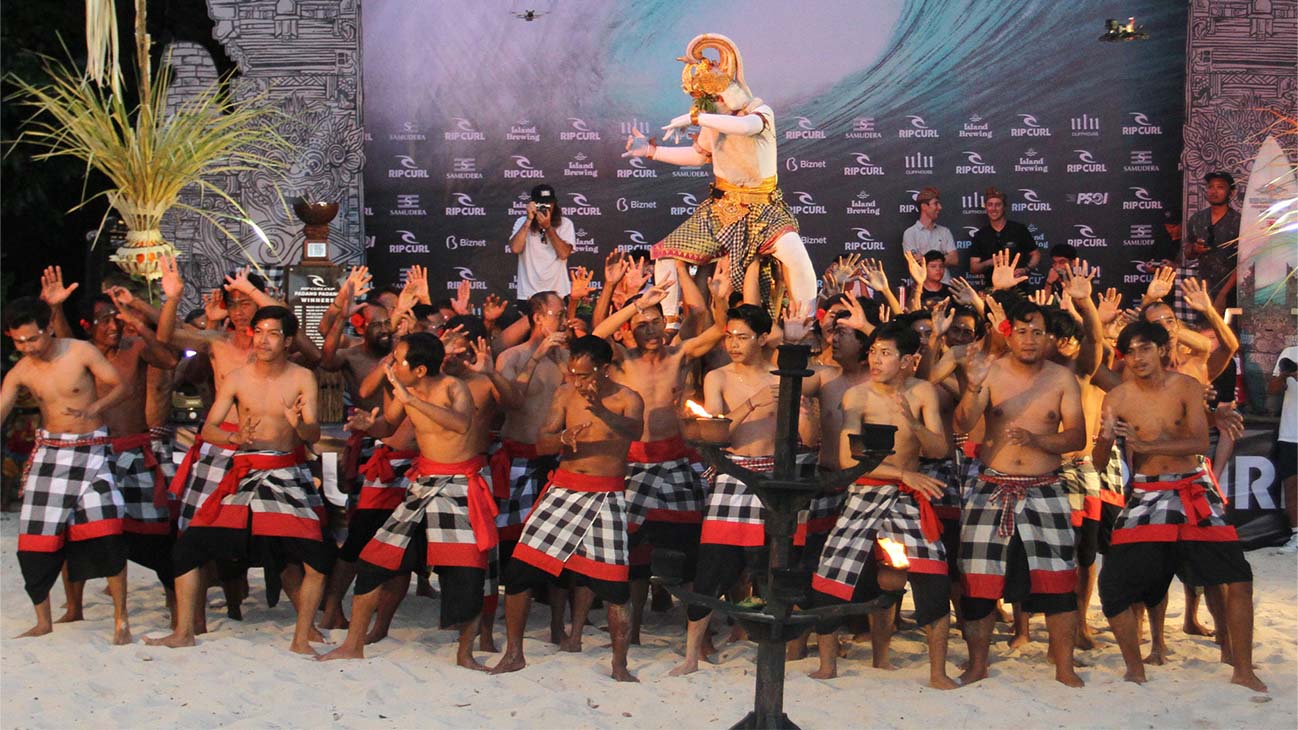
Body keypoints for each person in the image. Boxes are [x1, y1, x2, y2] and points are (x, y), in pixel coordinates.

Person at [145, 306, 329, 655]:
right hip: (242, 472)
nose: (262, 339)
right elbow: (210, 428)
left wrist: (299, 425)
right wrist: (234, 439)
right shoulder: (238, 378)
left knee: (315, 558)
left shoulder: (302, 377)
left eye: (272, 333)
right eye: (259, 331)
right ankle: (184, 631)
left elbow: (313, 431)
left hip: (286, 473)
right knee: (187, 549)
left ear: (288, 340)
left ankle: (302, 636)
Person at [1094, 320, 1266, 693]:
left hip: (1192, 486)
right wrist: (1106, 439)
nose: (1138, 358)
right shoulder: (1118, 398)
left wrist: (1146, 446)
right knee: (1112, 586)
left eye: (1145, 348)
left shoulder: (1186, 386)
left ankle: (1243, 668)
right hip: (1146, 491)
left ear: (1161, 350)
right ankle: (1134, 668)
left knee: (1239, 578)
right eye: (1131, 351)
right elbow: (1097, 461)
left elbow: (1197, 443)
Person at [319, 332, 495, 670]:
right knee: (375, 559)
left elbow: (460, 424)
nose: (392, 364)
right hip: (422, 481)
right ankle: (353, 644)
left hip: (460, 483)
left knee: (468, 570)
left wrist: (412, 400)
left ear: (419, 369)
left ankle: (465, 653)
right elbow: (389, 426)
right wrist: (369, 426)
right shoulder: (407, 390)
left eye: (398, 360)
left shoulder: (452, 388)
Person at [623, 33, 817, 318]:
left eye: (716, 94)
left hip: (764, 212)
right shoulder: (712, 119)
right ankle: (670, 328)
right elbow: (698, 156)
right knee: (665, 256)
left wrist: (695, 118)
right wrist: (651, 152)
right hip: (720, 210)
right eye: (707, 98)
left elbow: (747, 127)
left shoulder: (760, 113)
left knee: (796, 256)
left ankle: (804, 326)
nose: (713, 101)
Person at [808, 324, 956, 689]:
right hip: (866, 490)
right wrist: (903, 474)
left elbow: (939, 450)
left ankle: (938, 672)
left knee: (933, 575)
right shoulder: (856, 396)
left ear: (909, 361)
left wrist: (912, 423)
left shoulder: (923, 392)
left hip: (909, 495)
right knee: (832, 572)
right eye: (874, 351)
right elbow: (847, 458)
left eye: (886, 353)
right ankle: (827, 666)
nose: (876, 359)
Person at [491, 335, 645, 682]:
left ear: (604, 370)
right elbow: (541, 441)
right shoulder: (564, 394)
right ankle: (514, 653)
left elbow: (636, 430)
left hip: (606, 494)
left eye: (585, 374)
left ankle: (619, 665)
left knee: (615, 587)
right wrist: (561, 439)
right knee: (519, 573)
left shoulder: (627, 398)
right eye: (574, 373)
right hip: (563, 489)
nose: (578, 380)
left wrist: (601, 411)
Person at [954, 301, 1087, 687]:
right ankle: (978, 664)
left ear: (1049, 337)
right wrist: (975, 385)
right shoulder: (989, 371)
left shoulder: (1062, 378)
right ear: (1009, 333)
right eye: (1022, 331)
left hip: (1045, 487)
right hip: (991, 487)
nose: (1029, 340)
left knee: (1060, 582)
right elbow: (961, 423)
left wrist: (1036, 439)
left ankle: (1065, 666)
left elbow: (1076, 437)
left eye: (1038, 332)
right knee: (978, 583)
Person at [592, 258, 726, 641]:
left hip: (676, 461)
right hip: (633, 463)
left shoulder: (678, 354)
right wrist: (634, 305)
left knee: (693, 549)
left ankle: (698, 633)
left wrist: (719, 298)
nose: (650, 329)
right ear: (631, 331)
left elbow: (718, 330)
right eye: (642, 325)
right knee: (630, 551)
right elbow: (598, 337)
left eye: (656, 321)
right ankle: (631, 631)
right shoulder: (621, 360)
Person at [1, 296, 131, 644]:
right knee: (36, 540)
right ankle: (43, 621)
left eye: (33, 338)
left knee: (106, 532)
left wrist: (96, 407)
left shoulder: (79, 351)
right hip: (50, 454)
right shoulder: (22, 370)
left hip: (91, 451)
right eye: (18, 341)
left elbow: (120, 385)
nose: (27, 346)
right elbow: (2, 408)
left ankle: (121, 618)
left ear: (47, 329)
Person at [670, 303, 785, 676]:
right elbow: (717, 433)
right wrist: (753, 402)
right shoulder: (717, 376)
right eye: (729, 336)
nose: (734, 344)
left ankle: (777, 643)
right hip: (733, 476)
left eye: (743, 337)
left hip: (772, 478)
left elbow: (804, 433)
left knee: (773, 564)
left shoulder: (783, 375)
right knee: (713, 563)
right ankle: (691, 654)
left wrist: (795, 407)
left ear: (763, 338)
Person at [1185, 171, 1240, 312]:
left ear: (1231, 193)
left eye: (1220, 187)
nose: (1214, 191)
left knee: (1227, 332)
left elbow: (1243, 262)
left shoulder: (1238, 221)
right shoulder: (1197, 219)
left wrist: (1223, 294)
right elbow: (1187, 252)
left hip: (1231, 291)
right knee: (1202, 332)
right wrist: (1195, 249)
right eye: (1210, 187)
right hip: (1203, 290)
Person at [508, 184, 574, 302]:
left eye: (549, 203)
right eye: (541, 204)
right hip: (528, 294)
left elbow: (564, 253)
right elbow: (515, 249)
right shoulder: (521, 222)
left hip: (559, 292)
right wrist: (529, 220)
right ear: (533, 204)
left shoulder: (565, 223)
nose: (546, 207)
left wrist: (548, 227)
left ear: (555, 204)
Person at [968, 187, 1038, 285]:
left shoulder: (1019, 229)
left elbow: (1036, 254)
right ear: (986, 207)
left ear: (1004, 207)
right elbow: (973, 268)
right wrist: (990, 262)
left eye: (998, 205)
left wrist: (1026, 269)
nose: (994, 209)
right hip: (992, 289)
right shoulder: (980, 235)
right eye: (990, 205)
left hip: (1019, 288)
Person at [1270, 347, 1298, 553]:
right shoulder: (1290, 353)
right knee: (1291, 486)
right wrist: (1285, 375)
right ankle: (1297, 534)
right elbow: (1272, 389)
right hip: (1291, 432)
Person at [902, 187, 957, 280]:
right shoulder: (910, 233)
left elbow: (954, 259)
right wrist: (943, 258)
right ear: (924, 206)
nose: (940, 207)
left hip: (945, 286)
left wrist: (924, 258)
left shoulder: (944, 232)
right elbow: (914, 261)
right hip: (921, 288)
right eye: (936, 203)